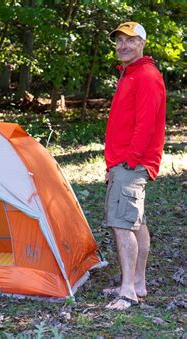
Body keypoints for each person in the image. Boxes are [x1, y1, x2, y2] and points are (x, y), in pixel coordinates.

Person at [103, 22, 166, 310]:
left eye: (129, 41)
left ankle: (127, 290)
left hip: (132, 163)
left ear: (142, 43)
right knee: (135, 222)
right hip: (123, 161)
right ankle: (138, 282)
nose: (123, 46)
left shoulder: (147, 76)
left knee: (121, 224)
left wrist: (130, 161)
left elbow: (146, 123)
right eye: (119, 41)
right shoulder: (130, 74)